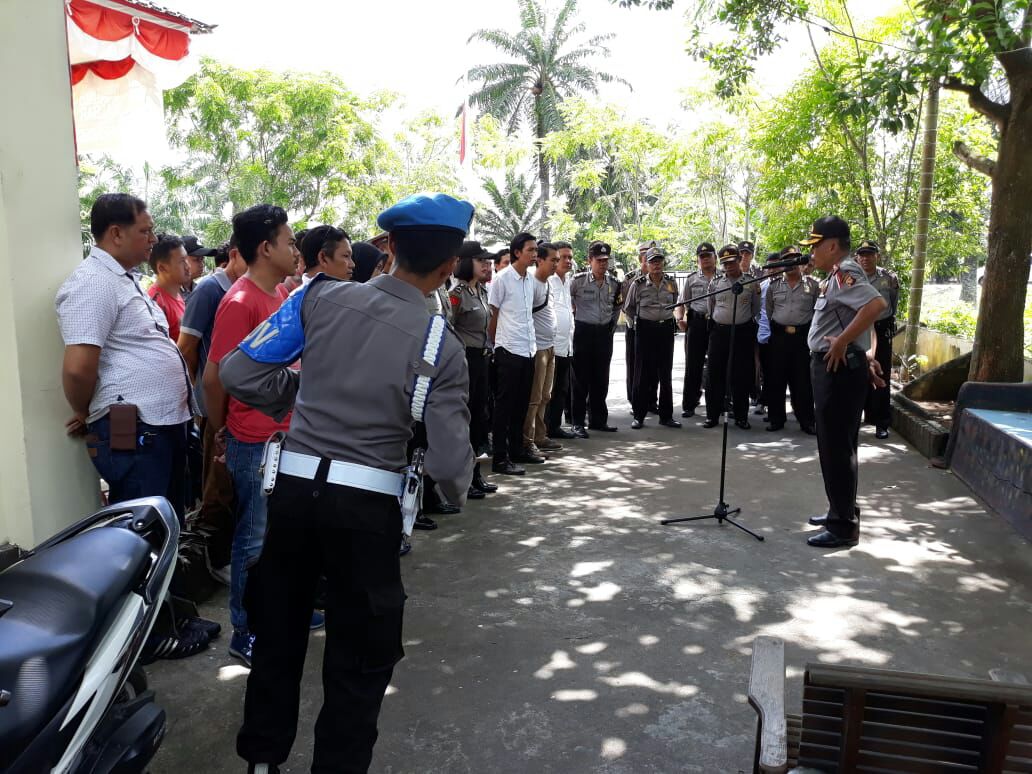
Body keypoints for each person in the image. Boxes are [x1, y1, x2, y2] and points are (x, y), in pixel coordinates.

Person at [219, 192, 474, 774]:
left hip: (293, 498)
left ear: (387, 250)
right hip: (367, 513)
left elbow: (239, 371)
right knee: (360, 659)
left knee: (279, 634)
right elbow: (451, 470)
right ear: (444, 269)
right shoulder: (442, 346)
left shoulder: (316, 297)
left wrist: (301, 397)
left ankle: (262, 762)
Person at [203, 204, 310, 667]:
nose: (294, 250)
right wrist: (221, 429)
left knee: (284, 533)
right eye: (288, 242)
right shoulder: (241, 302)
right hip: (255, 439)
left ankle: (283, 611)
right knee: (253, 534)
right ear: (265, 248)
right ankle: (243, 628)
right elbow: (216, 376)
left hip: (284, 434)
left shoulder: (282, 295)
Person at [56, 193, 194, 517]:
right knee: (141, 528)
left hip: (161, 423)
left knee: (165, 524)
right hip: (138, 428)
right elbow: (78, 368)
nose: (153, 238)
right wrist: (84, 410)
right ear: (116, 233)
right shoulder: (93, 282)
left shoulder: (125, 280)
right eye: (145, 231)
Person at [799, 216, 887, 548]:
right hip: (842, 366)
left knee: (836, 447)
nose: (812, 253)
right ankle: (841, 509)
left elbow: (875, 306)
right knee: (841, 445)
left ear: (832, 245)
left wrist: (842, 342)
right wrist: (862, 350)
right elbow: (859, 313)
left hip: (835, 369)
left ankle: (842, 526)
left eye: (815, 246)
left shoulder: (845, 272)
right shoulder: (838, 275)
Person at [178, 237, 248, 579]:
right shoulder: (209, 290)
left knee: (235, 487)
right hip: (214, 407)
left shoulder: (253, 289)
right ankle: (216, 561)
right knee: (216, 487)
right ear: (236, 255)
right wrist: (198, 401)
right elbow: (187, 347)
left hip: (242, 409)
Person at [451, 241, 498, 498]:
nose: (487, 265)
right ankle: (463, 478)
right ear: (467, 263)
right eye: (482, 261)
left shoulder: (481, 291)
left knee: (479, 418)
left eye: (488, 261)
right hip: (465, 359)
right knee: (465, 418)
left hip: (482, 359)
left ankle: (476, 474)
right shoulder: (456, 293)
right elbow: (448, 327)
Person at [488, 232, 539, 474]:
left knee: (522, 404)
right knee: (504, 407)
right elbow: (493, 315)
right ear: (517, 252)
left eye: (535, 250)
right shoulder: (501, 279)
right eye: (530, 250)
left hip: (528, 349)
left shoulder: (530, 280)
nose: (534, 254)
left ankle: (517, 450)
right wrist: (494, 345)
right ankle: (500, 457)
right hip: (507, 349)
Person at [568, 240, 622, 437]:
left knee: (601, 378)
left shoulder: (614, 283)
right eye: (598, 260)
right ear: (590, 260)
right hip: (583, 332)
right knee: (580, 379)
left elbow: (617, 307)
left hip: (603, 334)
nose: (602, 264)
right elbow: (567, 301)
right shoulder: (578, 281)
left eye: (605, 260)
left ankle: (598, 420)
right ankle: (577, 422)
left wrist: (611, 326)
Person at [704, 245, 761, 430]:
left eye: (732, 262)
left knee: (741, 375)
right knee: (715, 374)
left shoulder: (751, 283)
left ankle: (741, 416)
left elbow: (755, 308)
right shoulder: (715, 283)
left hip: (742, 332)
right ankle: (712, 416)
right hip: (719, 332)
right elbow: (711, 306)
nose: (728, 266)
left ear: (739, 260)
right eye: (725, 263)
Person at [624, 246, 681, 429]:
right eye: (652, 261)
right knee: (641, 373)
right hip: (645, 330)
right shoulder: (638, 284)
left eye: (659, 261)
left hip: (665, 330)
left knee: (665, 373)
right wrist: (635, 326)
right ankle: (639, 416)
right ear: (646, 264)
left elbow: (674, 302)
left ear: (663, 263)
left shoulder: (671, 283)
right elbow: (629, 308)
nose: (656, 265)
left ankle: (666, 416)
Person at [763, 246, 818, 434]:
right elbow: (769, 310)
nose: (793, 263)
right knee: (776, 379)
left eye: (796, 259)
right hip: (779, 337)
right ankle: (777, 419)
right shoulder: (774, 286)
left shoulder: (813, 285)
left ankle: (807, 421)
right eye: (788, 260)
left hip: (802, 338)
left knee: (802, 381)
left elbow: (816, 311)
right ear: (783, 264)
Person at [856, 240, 899, 439]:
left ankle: (881, 423)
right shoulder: (852, 277)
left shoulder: (889, 278)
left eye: (869, 254)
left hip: (881, 331)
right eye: (862, 255)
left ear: (877, 256)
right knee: (858, 374)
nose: (865, 258)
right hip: (858, 330)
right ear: (857, 257)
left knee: (883, 375)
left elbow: (893, 304)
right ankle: (858, 418)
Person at [523, 242, 561, 458]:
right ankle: (527, 441)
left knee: (545, 395)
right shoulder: (532, 284)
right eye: (553, 260)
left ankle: (539, 435)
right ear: (540, 260)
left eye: (558, 260)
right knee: (534, 397)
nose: (556, 264)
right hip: (537, 348)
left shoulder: (548, 284)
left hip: (550, 346)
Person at [675, 242, 718, 418]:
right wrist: (680, 319)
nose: (705, 259)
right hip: (697, 323)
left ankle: (719, 403)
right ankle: (690, 404)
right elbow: (681, 302)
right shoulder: (692, 279)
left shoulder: (723, 278)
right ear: (698, 260)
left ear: (715, 258)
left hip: (717, 324)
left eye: (708, 256)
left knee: (718, 365)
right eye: (702, 257)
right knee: (694, 365)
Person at [546, 241, 576, 440]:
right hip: (551, 345)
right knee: (548, 391)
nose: (567, 261)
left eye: (569, 257)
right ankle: (544, 429)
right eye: (563, 257)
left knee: (562, 389)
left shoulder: (568, 281)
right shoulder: (547, 280)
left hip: (566, 345)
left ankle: (555, 426)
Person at [622, 242, 653, 405]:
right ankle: (634, 399)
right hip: (634, 326)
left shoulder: (660, 276)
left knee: (652, 363)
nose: (648, 259)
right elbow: (625, 305)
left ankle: (650, 400)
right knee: (634, 363)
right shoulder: (630, 278)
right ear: (641, 257)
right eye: (646, 256)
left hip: (653, 327)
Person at [147, 234, 191, 342]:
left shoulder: (177, 294)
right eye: (182, 261)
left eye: (186, 259)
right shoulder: (156, 303)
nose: (188, 266)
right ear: (162, 268)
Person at [182, 235, 216, 299]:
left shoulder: (199, 289)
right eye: (196, 260)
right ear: (182, 260)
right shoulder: (171, 292)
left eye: (202, 259)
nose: (202, 264)